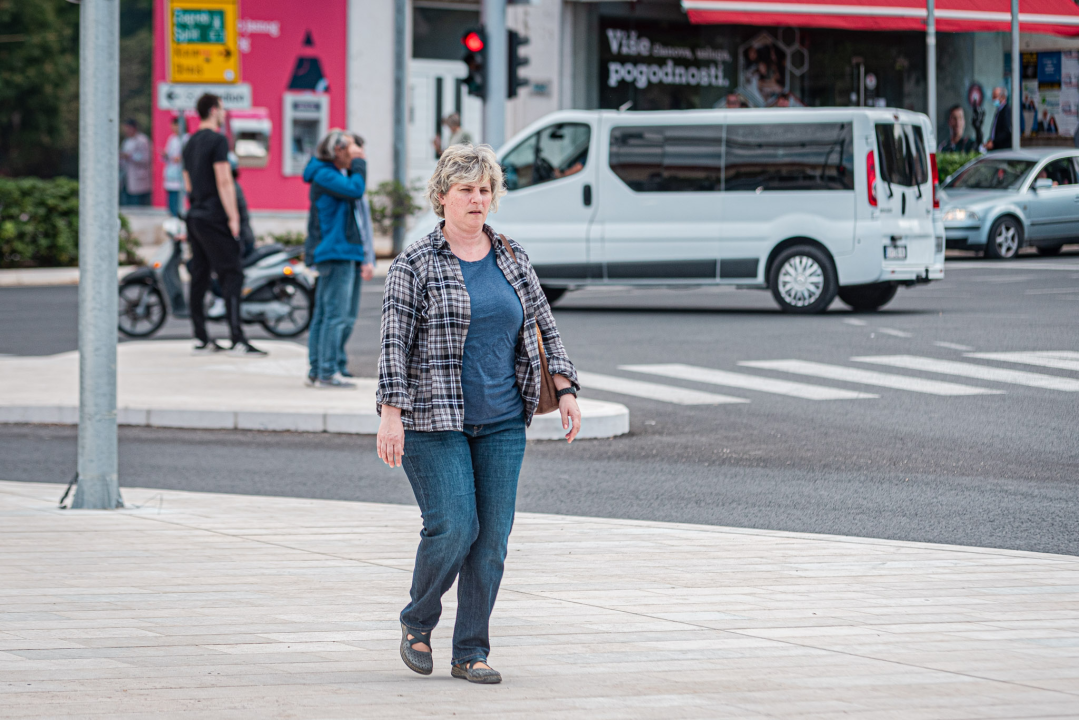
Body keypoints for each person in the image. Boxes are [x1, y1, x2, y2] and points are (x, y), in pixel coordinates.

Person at [377, 144, 582, 684]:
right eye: (466, 189)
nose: (477, 199)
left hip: (502, 420)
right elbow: (394, 344)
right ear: (442, 196)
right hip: (433, 420)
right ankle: (418, 619)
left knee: (490, 543)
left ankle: (470, 651)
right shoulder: (414, 264)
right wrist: (391, 413)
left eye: (485, 190)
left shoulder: (511, 256)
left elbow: (544, 324)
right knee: (454, 527)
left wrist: (565, 388)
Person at [182, 93, 265, 356]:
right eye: (222, 108)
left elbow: (187, 184)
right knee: (232, 275)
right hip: (215, 216)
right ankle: (237, 339)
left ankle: (201, 338)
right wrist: (233, 217)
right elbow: (224, 180)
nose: (225, 113)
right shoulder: (218, 140)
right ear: (213, 110)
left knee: (200, 275)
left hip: (195, 215)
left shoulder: (189, 142)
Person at [302, 129, 374, 388]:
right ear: (338, 150)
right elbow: (356, 189)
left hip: (344, 251)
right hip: (335, 252)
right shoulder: (325, 175)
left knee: (329, 314)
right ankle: (326, 372)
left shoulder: (332, 174)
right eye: (352, 148)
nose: (356, 154)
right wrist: (360, 163)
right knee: (334, 315)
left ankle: (320, 369)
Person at [120, 119, 152, 206]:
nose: (126, 131)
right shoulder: (126, 141)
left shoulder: (142, 140)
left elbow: (146, 158)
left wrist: (130, 156)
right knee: (127, 205)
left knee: (137, 206)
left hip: (139, 179)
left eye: (127, 128)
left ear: (133, 128)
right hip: (126, 178)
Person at [162, 117, 185, 217]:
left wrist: (179, 158)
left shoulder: (186, 138)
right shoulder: (172, 139)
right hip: (171, 173)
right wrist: (166, 156)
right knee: (171, 201)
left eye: (175, 125)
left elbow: (187, 156)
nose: (173, 128)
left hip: (180, 175)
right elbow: (169, 155)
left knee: (178, 202)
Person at [985, 87, 1012, 151]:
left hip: (1003, 149)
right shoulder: (999, 110)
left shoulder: (1006, 110)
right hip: (996, 148)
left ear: (1003, 97)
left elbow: (1006, 131)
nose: (993, 100)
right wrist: (990, 140)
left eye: (995, 97)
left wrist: (994, 142)